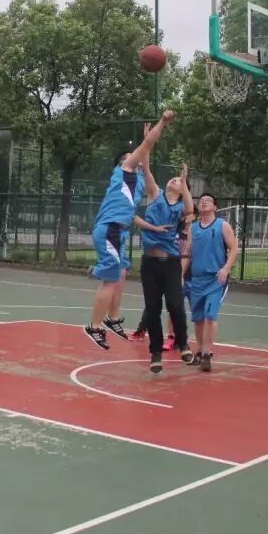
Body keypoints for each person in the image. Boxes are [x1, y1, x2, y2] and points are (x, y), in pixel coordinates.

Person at [84, 110, 176, 350]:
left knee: (121, 272)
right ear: (124, 162)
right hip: (109, 230)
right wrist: (162, 123)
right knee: (110, 279)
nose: (137, 157)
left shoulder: (134, 184)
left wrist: (154, 227)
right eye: (133, 155)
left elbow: (133, 215)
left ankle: (112, 318)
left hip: (119, 231)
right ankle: (94, 326)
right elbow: (145, 148)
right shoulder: (124, 170)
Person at [138, 164, 195, 373]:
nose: (174, 180)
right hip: (150, 263)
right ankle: (156, 352)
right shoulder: (155, 194)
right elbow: (147, 171)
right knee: (152, 309)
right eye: (173, 179)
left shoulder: (181, 208)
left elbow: (190, 209)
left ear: (182, 190)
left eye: (178, 181)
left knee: (175, 305)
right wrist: (145, 151)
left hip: (171, 263)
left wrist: (184, 181)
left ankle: (183, 343)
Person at [182, 192, 238, 371]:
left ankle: (207, 354)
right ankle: (199, 351)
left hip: (215, 280)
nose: (204, 202)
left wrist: (226, 268)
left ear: (215, 206)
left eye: (208, 200)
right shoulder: (193, 228)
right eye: (201, 200)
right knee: (198, 319)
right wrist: (180, 274)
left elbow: (234, 249)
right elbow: (187, 253)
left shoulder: (222, 225)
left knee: (210, 316)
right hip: (196, 280)